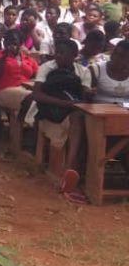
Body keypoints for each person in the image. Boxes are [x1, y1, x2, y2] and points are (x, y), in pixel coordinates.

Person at [31, 39, 92, 202]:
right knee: (78, 119)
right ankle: (70, 168)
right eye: (56, 52)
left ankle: (71, 170)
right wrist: (64, 103)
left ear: (74, 56)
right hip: (50, 110)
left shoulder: (83, 72)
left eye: (62, 53)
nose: (57, 56)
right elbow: (36, 95)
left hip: (73, 112)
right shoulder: (47, 67)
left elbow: (84, 98)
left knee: (80, 119)